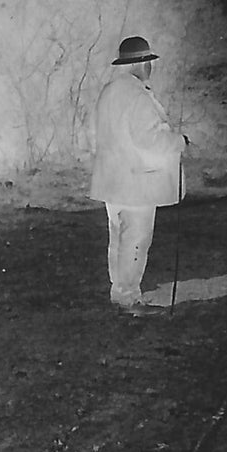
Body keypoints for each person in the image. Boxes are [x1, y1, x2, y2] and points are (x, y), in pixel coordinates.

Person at [89, 35, 184, 316]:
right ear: (141, 64)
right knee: (136, 240)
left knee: (118, 238)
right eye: (149, 62)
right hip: (137, 184)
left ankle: (120, 291)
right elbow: (150, 141)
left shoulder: (109, 92)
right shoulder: (137, 97)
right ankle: (128, 298)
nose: (151, 68)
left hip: (113, 182)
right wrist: (179, 142)